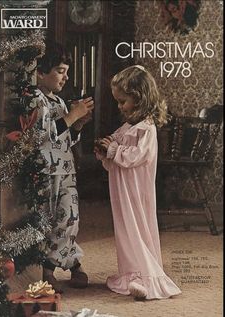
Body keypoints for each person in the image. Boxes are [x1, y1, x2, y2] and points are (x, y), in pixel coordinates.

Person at [94, 65, 181, 300]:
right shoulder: (128, 126)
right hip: (122, 189)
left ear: (140, 99)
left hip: (136, 189)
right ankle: (132, 274)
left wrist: (113, 149)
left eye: (123, 102)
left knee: (138, 229)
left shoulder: (147, 129)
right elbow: (116, 146)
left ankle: (147, 277)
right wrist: (106, 147)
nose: (120, 107)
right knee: (125, 231)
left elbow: (135, 156)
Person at [25, 42, 94, 292]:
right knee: (50, 219)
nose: (65, 77)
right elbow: (43, 135)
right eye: (60, 71)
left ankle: (70, 261)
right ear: (41, 72)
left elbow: (66, 137)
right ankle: (48, 268)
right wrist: (72, 116)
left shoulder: (59, 101)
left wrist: (77, 124)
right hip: (45, 172)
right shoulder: (36, 99)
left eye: (66, 71)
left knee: (70, 217)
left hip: (66, 170)